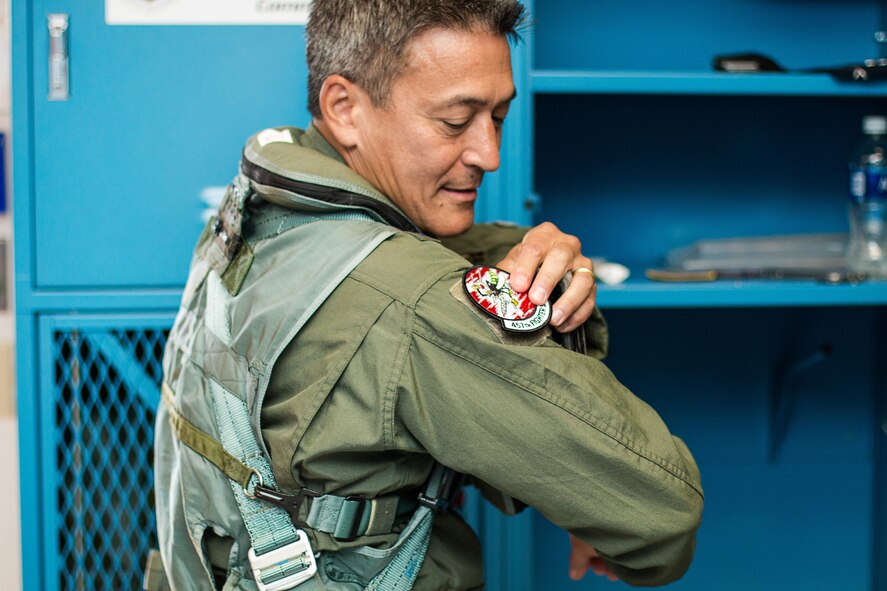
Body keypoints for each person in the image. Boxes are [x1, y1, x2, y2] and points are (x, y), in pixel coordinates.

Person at [152, 1, 703, 590]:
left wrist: (534, 262)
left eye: (498, 116)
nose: (488, 154)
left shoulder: (252, 211)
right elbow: (661, 516)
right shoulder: (415, 308)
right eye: (455, 121)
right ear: (345, 109)